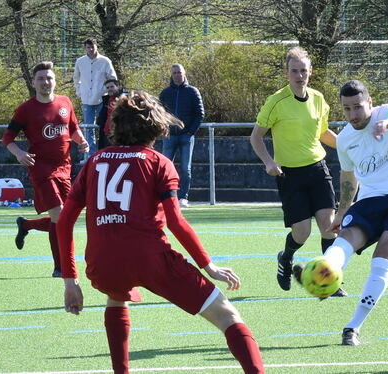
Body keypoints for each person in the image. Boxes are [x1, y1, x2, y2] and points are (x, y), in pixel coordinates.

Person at [57, 91, 264, 374]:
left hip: (103, 263)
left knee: (116, 295)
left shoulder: (95, 161)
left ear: (116, 124)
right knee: (228, 315)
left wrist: (70, 281)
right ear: (156, 125)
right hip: (151, 258)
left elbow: (65, 220)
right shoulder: (157, 162)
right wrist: (209, 265)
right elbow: (176, 222)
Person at [293, 80, 388, 346]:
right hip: (371, 198)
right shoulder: (344, 139)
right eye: (347, 109)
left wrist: (386, 124)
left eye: (357, 107)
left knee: (386, 249)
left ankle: (353, 326)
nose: (353, 115)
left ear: (370, 103)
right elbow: (348, 175)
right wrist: (342, 212)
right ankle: (324, 275)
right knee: (346, 237)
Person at [250, 47, 343, 296]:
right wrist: (269, 162)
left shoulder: (318, 98)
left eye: (303, 70)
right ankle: (286, 257)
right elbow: (256, 137)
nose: (299, 75)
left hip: (318, 169)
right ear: (287, 73)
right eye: (294, 71)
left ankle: (330, 280)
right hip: (289, 174)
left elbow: (323, 133)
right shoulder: (276, 102)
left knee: (328, 227)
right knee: (302, 233)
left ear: (310, 71)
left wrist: (348, 146)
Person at [2, 61, 89, 277]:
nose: (45, 82)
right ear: (33, 82)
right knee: (59, 215)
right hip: (40, 168)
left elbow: (73, 129)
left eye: (49, 78)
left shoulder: (65, 102)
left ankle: (26, 225)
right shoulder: (26, 109)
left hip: (64, 167)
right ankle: (61, 267)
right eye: (40, 78)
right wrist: (19, 154)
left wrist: (81, 141)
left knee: (65, 216)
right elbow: (7, 137)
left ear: (55, 81)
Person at [159, 64, 205, 208]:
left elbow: (200, 114)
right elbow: (159, 113)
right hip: (169, 136)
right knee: (164, 168)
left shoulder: (192, 91)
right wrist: (164, 129)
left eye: (179, 72)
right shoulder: (165, 93)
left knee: (186, 168)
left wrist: (190, 132)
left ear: (184, 73)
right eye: (174, 73)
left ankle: (183, 197)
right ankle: (165, 196)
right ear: (171, 75)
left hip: (186, 136)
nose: (177, 75)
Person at [73, 37, 117, 161]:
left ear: (96, 46)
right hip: (87, 99)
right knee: (88, 128)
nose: (90, 49)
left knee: (105, 126)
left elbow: (112, 77)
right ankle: (91, 155)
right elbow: (76, 78)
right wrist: (79, 91)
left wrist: (107, 91)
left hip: (103, 98)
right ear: (85, 48)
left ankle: (104, 152)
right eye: (88, 47)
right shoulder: (80, 61)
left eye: (92, 46)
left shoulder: (105, 61)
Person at [96, 78, 126, 149]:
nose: (109, 89)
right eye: (108, 87)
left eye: (112, 87)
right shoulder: (106, 100)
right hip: (107, 134)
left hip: (120, 134)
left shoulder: (125, 99)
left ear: (117, 86)